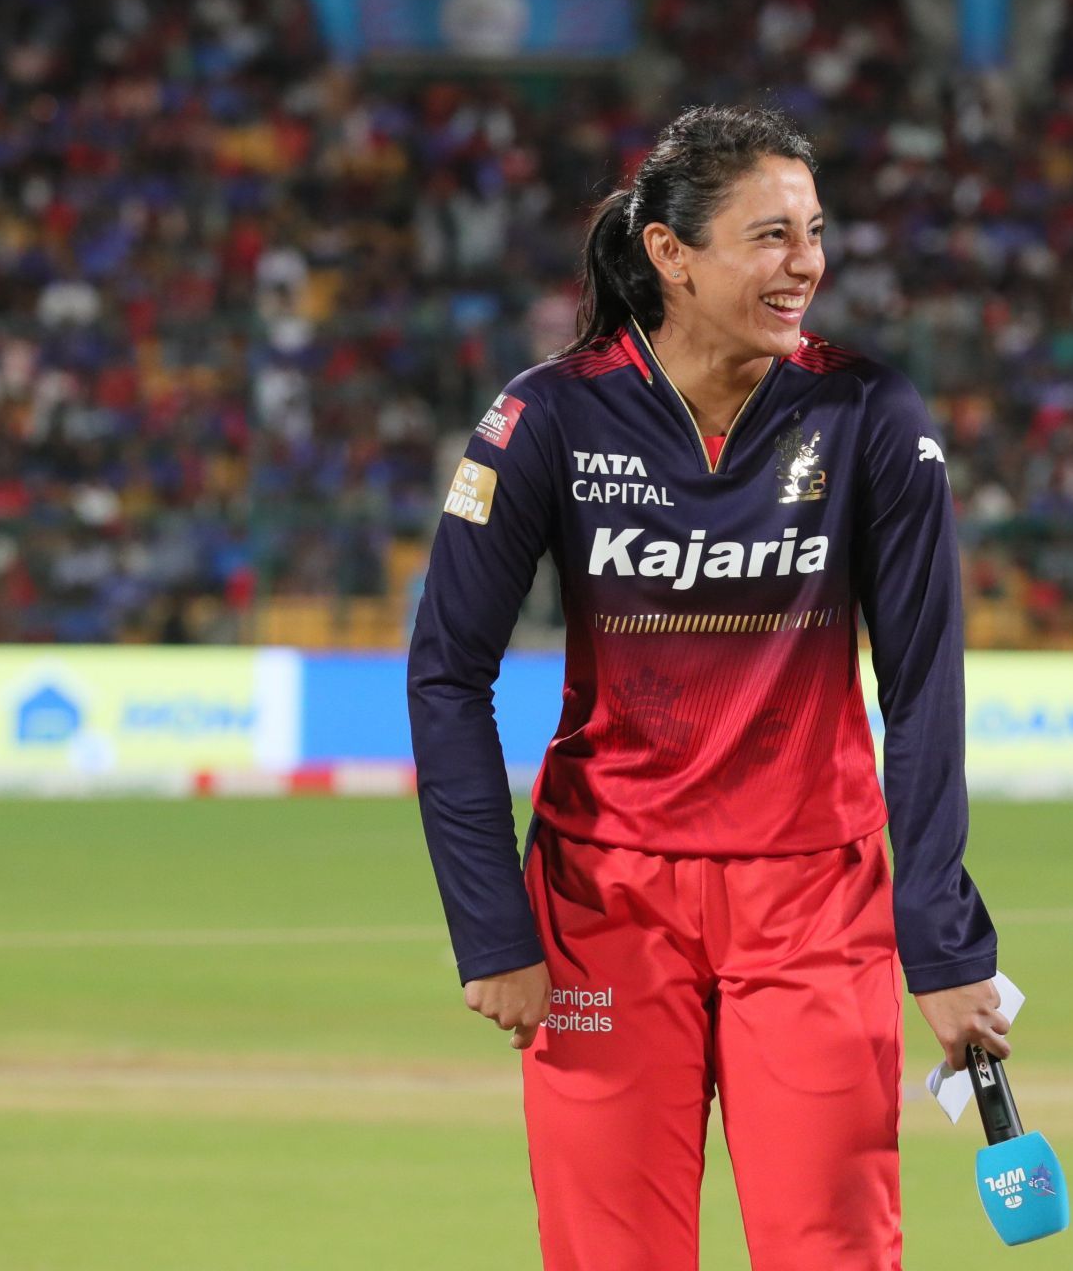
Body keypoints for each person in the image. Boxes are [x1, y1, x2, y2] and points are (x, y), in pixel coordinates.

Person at [407, 105, 1009, 1271]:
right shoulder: (547, 416)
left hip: (817, 904)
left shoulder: (871, 413)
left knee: (835, 1252)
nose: (806, 267)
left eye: (815, 233)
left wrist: (939, 942)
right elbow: (446, 673)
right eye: (770, 237)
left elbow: (925, 684)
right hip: (603, 903)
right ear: (670, 256)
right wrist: (491, 926)